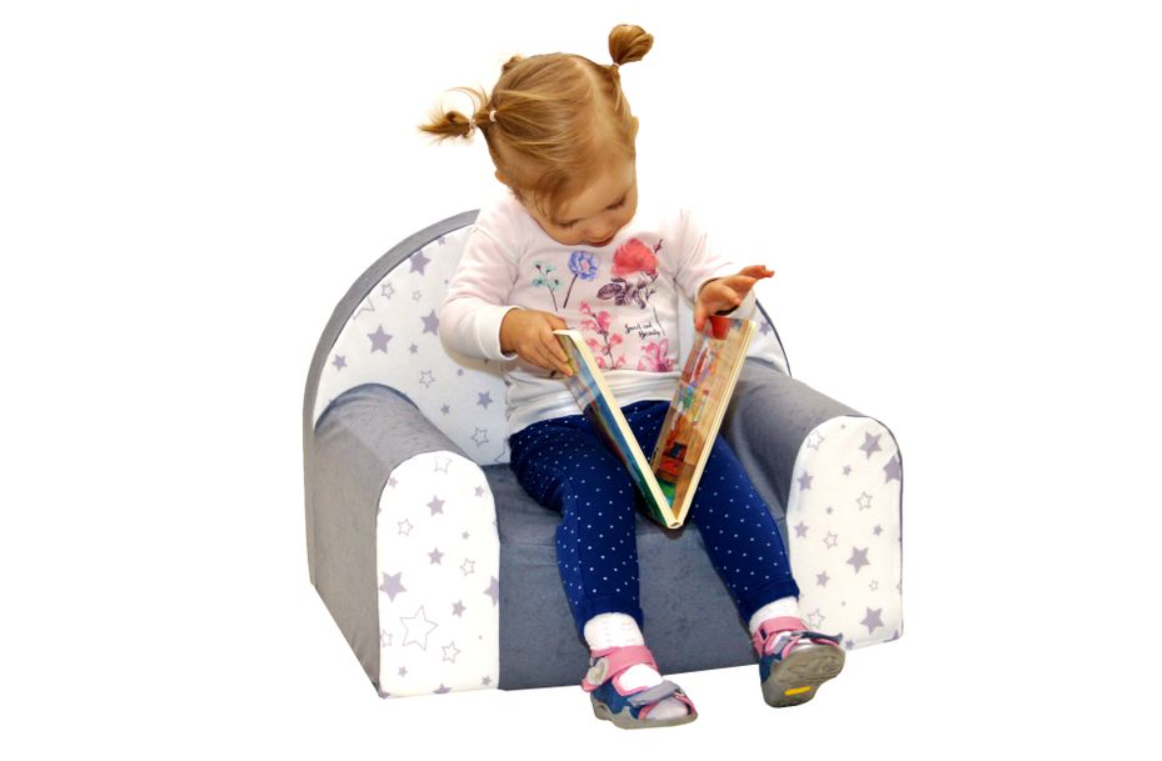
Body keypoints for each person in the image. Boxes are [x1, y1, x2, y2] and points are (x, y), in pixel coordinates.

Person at [420, 24, 844, 729]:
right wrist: (511, 326)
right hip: (555, 425)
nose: (598, 229)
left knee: (717, 473)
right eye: (568, 220)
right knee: (598, 486)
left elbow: (715, 283)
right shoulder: (505, 224)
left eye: (615, 204)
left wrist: (720, 297)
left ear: (635, 139)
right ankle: (618, 660)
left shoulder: (669, 215)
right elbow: (457, 316)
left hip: (656, 413)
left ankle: (780, 627)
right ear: (515, 188)